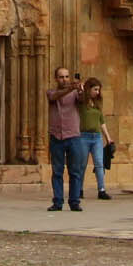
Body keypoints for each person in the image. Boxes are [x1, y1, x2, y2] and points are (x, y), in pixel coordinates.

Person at [46, 66, 85, 212]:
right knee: (57, 171)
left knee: (74, 171)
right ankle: (58, 201)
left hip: (73, 136)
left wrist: (81, 90)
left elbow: (83, 101)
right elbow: (53, 97)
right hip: (56, 136)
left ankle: (74, 201)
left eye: (67, 77)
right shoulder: (51, 91)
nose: (65, 79)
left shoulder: (75, 93)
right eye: (61, 77)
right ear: (56, 79)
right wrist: (70, 89)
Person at [78, 76, 112, 201]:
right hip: (84, 136)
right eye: (95, 90)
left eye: (98, 90)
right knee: (82, 164)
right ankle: (79, 188)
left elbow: (101, 121)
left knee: (99, 163)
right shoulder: (82, 102)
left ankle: (101, 189)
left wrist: (108, 137)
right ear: (89, 89)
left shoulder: (97, 104)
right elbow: (79, 94)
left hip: (96, 136)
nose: (97, 93)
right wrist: (81, 87)